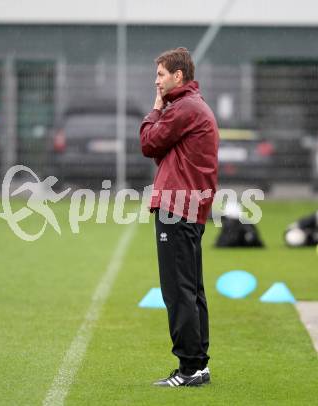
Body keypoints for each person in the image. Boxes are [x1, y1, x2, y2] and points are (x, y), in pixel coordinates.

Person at [140, 47, 219, 387]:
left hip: (178, 207)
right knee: (191, 289)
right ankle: (197, 364)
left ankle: (189, 369)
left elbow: (148, 142)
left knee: (178, 290)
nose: (156, 81)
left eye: (160, 75)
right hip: (189, 206)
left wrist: (156, 108)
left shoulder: (183, 108)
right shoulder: (190, 106)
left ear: (178, 76)